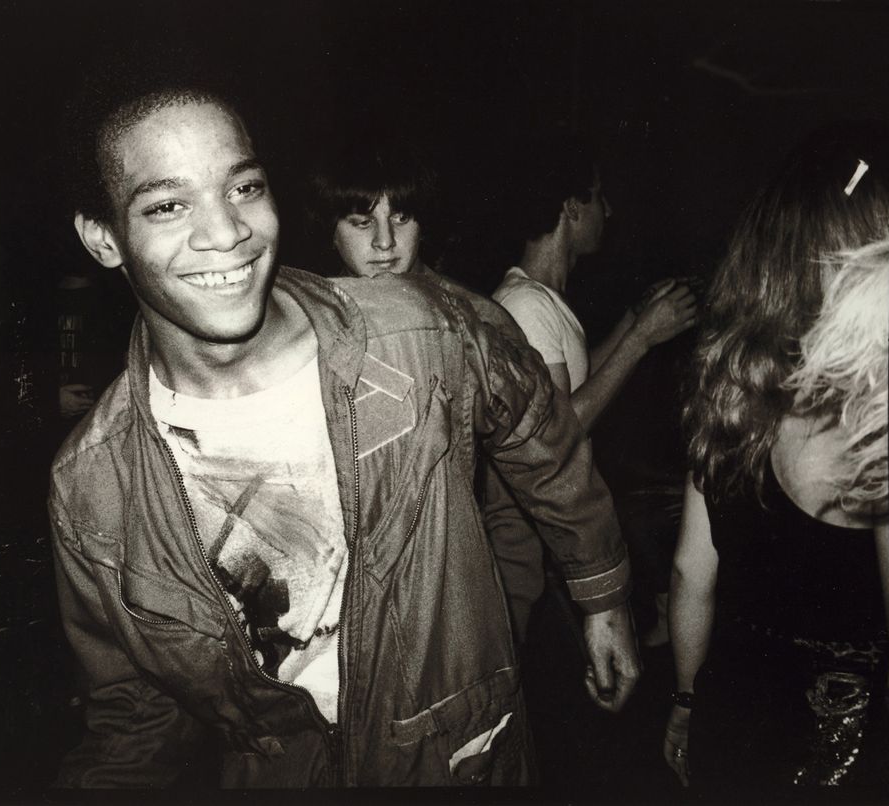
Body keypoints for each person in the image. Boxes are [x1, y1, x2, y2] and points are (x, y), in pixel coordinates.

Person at [50, 76, 638, 787]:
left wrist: (601, 594)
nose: (227, 233)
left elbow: (541, 438)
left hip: (454, 762)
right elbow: (133, 717)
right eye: (169, 205)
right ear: (104, 238)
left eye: (243, 188)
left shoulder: (419, 330)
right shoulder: (91, 486)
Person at [308, 137, 645, 667]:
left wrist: (549, 605)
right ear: (329, 229)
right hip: (333, 618)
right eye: (360, 220)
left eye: (402, 217)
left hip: (457, 611)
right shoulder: (296, 328)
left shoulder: (474, 324)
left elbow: (545, 464)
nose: (384, 242)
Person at [664, 127, 889, 789]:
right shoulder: (874, 414)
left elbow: (689, 573)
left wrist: (684, 701)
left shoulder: (727, 382)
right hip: (838, 741)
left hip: (734, 716)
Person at [490, 134, 698, 639]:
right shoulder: (524, 307)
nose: (609, 208)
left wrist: (634, 319)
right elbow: (558, 431)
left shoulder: (543, 300)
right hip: (529, 541)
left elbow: (573, 385)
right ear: (571, 208)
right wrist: (643, 339)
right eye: (599, 196)